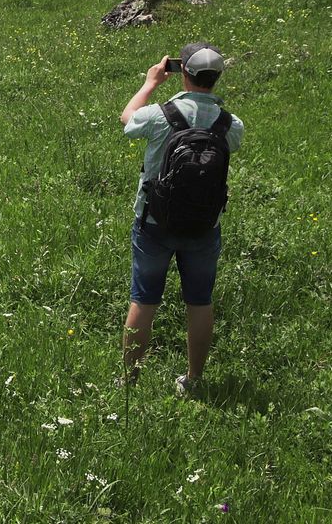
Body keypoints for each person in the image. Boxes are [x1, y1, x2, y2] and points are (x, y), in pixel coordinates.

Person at [118, 41, 244, 397]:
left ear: (183, 73)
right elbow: (232, 145)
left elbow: (127, 119)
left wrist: (150, 83)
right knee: (199, 301)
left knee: (144, 299)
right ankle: (194, 380)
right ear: (216, 78)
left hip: (154, 222)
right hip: (204, 226)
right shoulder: (230, 125)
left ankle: (129, 382)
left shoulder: (159, 114)